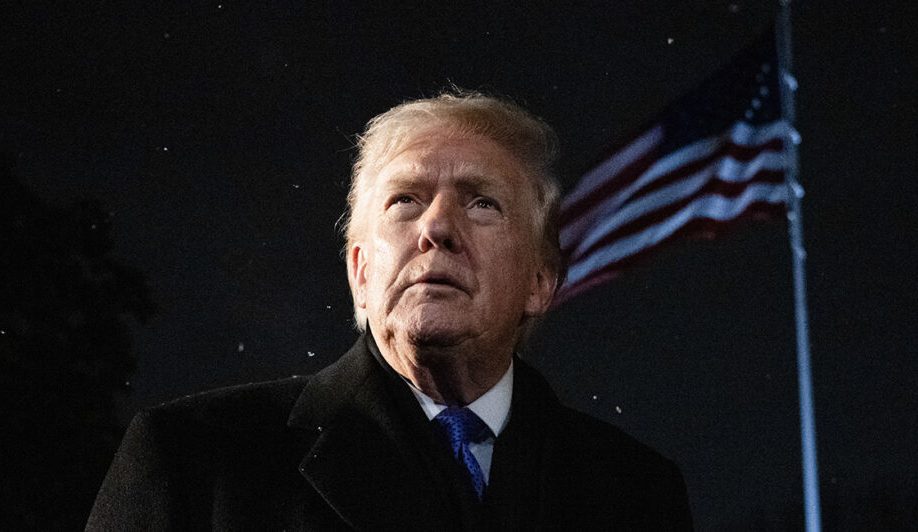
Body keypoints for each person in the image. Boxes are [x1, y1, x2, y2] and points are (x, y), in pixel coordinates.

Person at [86, 90, 693, 531]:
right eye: (405, 200)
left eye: (482, 203)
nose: (436, 227)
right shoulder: (192, 462)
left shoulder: (637, 491)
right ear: (360, 274)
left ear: (540, 282)